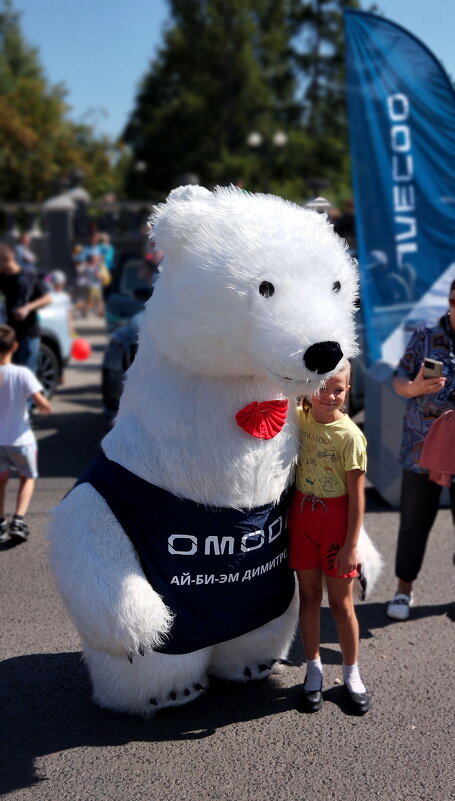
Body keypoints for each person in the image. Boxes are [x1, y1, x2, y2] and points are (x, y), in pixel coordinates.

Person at [288, 360, 370, 714]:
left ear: (347, 390)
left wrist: (353, 545)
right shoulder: (299, 416)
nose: (329, 395)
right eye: (322, 387)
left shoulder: (351, 437)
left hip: (336, 522)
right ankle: (314, 668)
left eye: (338, 389)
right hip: (302, 517)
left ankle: (352, 673)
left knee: (341, 604)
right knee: (308, 598)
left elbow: (357, 498)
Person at [386, 279, 455, 621]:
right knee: (414, 522)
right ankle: (403, 590)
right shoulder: (426, 335)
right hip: (422, 445)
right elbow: (398, 379)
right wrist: (413, 388)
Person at [0, 324, 52, 543]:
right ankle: (18, 520)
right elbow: (42, 404)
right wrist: (45, 407)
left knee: (1, 482)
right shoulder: (22, 374)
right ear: (15, 347)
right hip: (21, 441)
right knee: (27, 477)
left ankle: (1, 522)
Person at [0, 244, 52, 376]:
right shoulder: (2, 277)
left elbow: (48, 298)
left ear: (8, 259)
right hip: (9, 335)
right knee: (10, 375)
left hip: (29, 334)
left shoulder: (29, 275)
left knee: (26, 375)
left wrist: (28, 308)